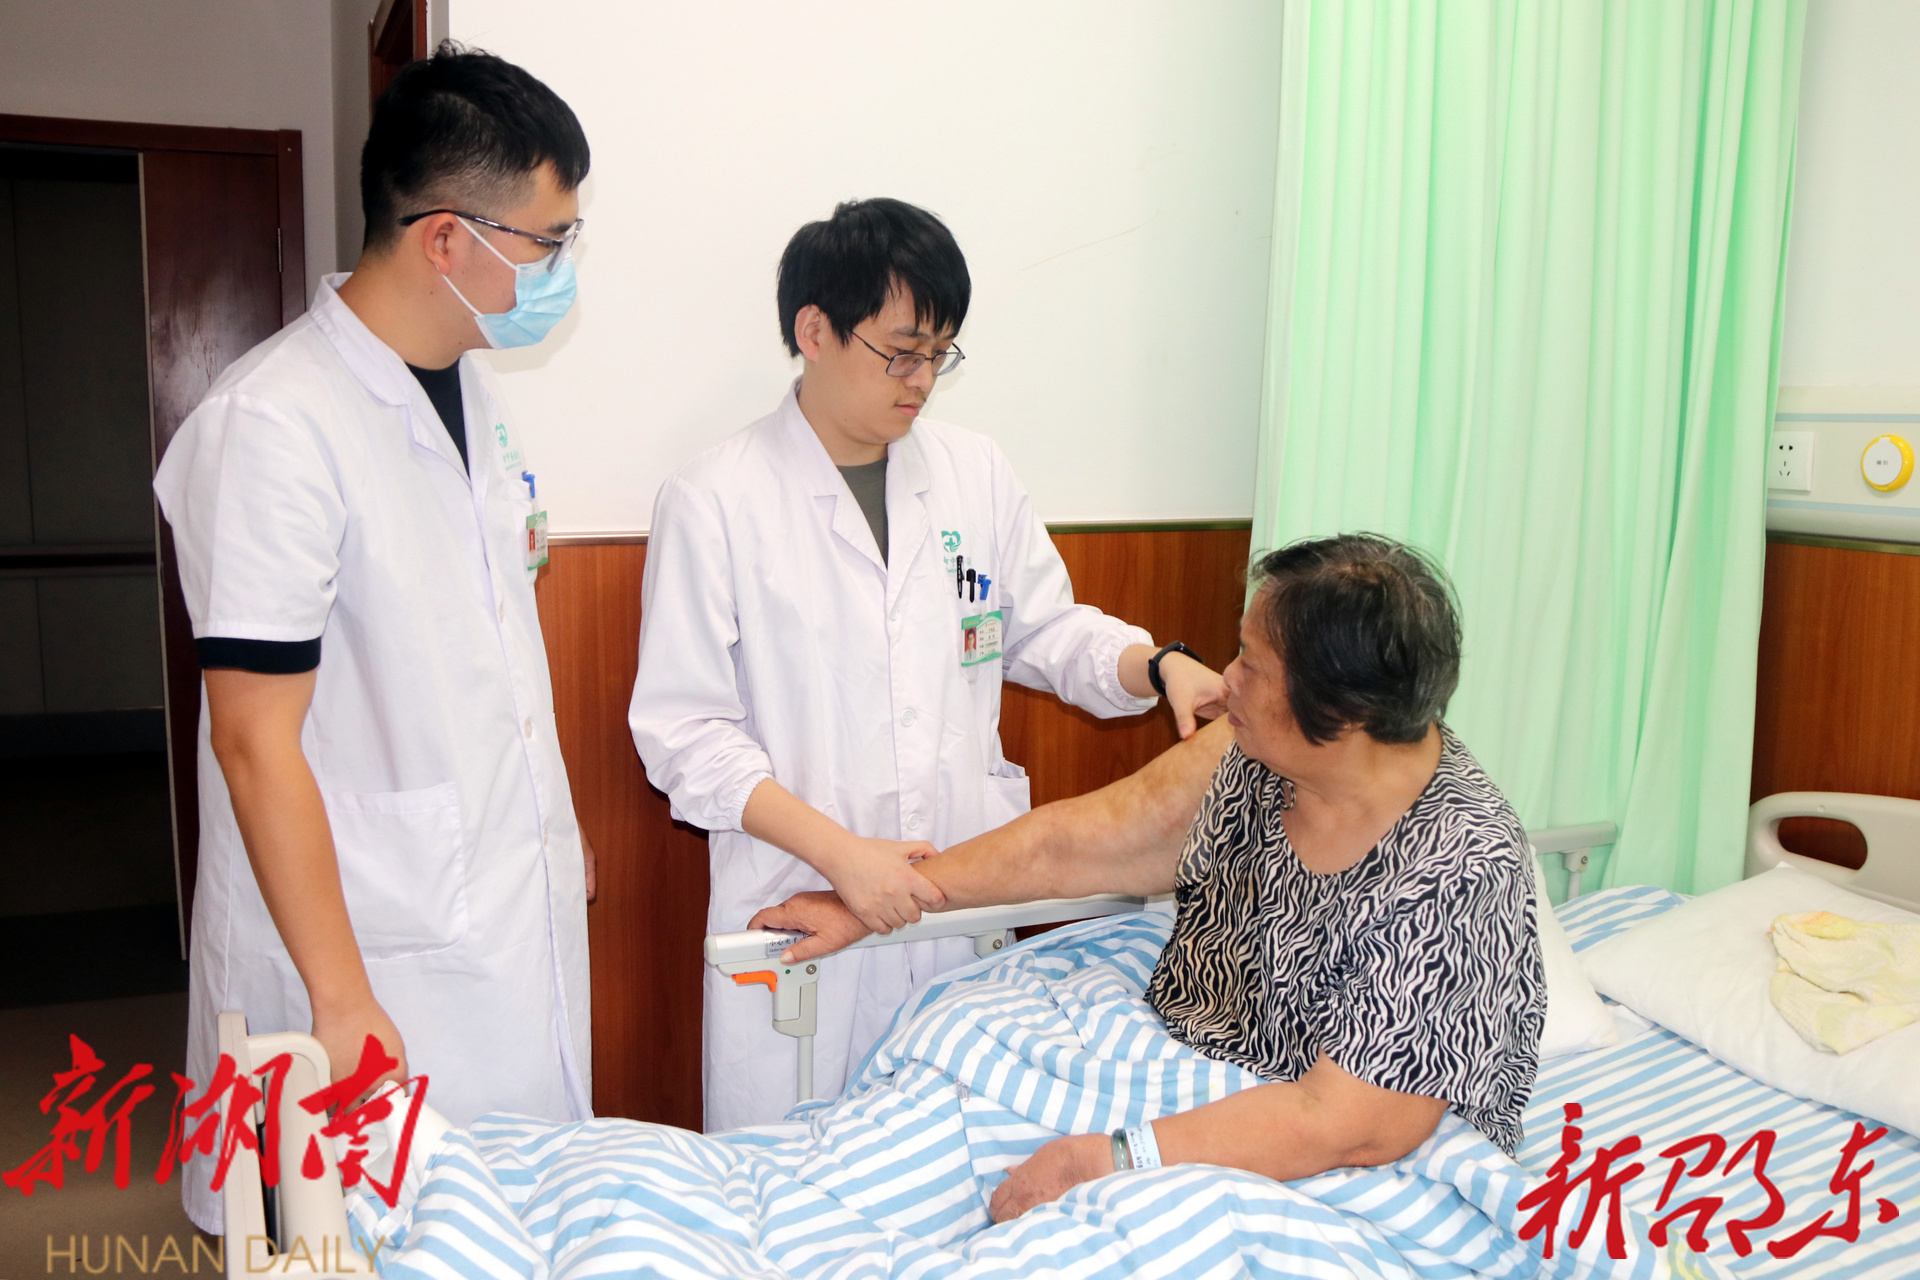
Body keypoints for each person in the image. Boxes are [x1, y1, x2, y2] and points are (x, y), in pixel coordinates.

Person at [629, 198, 1229, 1130]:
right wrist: (843, 857)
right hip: (799, 901)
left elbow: (1043, 630)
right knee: (792, 1171)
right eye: (902, 353)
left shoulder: (972, 472)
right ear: (815, 332)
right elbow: (685, 731)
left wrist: (1158, 665)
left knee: (955, 1156)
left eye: (940, 355)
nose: (921, 382)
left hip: (956, 898)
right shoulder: (716, 497)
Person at [752, 534, 1546, 1217]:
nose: (1225, 679)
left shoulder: (1459, 867)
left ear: (1342, 713)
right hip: (1189, 1054)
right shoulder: (1253, 751)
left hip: (1334, 1148)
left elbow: (1351, 1124)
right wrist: (888, 896)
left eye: (1253, 664)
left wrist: (1107, 1160)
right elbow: (1075, 844)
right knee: (937, 1079)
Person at [152, 45, 595, 1232]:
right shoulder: (274, 424)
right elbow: (253, 740)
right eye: (549, 242)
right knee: (356, 1230)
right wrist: (341, 998)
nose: (561, 270)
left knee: (499, 1221)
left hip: (491, 898)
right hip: (363, 946)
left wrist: (551, 832)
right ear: (447, 239)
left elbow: (480, 656)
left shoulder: (471, 396)